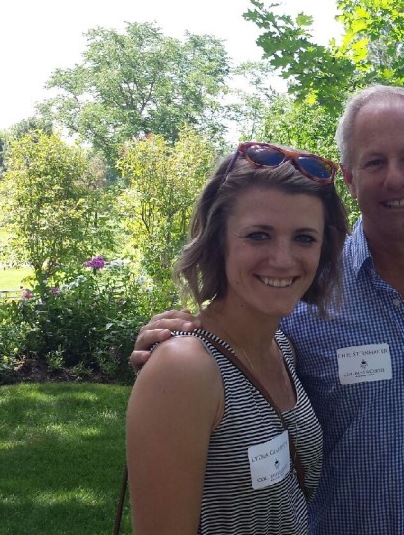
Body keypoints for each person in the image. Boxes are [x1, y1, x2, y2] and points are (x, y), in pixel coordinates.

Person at [132, 85, 404, 534]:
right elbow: (230, 339)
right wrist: (180, 345)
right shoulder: (303, 294)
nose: (395, 178)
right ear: (349, 177)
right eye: (374, 162)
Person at [125, 142, 348, 534]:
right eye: (259, 235)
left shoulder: (282, 348)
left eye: (304, 238)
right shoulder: (185, 369)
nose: (282, 258)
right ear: (218, 241)